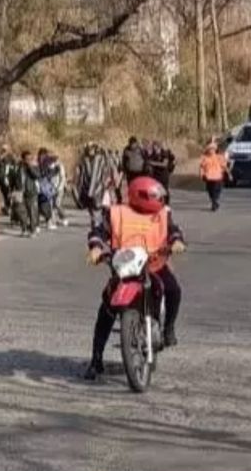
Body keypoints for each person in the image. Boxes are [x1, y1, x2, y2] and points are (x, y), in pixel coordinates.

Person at [83, 176, 186, 380]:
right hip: (126, 270)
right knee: (106, 309)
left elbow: (173, 232)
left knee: (174, 290)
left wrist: (176, 242)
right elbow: (99, 232)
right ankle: (96, 359)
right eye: (155, 196)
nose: (160, 200)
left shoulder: (163, 214)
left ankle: (168, 330)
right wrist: (96, 247)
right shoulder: (115, 213)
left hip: (155, 265)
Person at [75, 143, 111, 226]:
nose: (90, 151)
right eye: (89, 149)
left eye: (92, 149)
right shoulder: (84, 160)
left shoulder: (101, 159)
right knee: (90, 206)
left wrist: (105, 182)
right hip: (87, 185)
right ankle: (94, 220)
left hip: (98, 185)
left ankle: (97, 221)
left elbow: (107, 167)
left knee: (97, 206)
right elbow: (80, 170)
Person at [14, 151, 41, 238]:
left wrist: (30, 167)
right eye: (27, 159)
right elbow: (13, 177)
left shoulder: (34, 166)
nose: (28, 160)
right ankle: (24, 228)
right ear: (23, 159)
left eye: (30, 158)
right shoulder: (18, 167)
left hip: (31, 192)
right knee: (20, 211)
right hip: (20, 192)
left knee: (32, 212)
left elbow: (37, 175)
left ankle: (33, 230)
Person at [199, 141, 229, 212]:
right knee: (210, 191)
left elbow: (224, 166)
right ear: (207, 150)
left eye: (212, 149)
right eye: (209, 149)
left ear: (215, 150)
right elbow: (201, 167)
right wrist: (201, 174)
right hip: (209, 177)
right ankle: (214, 202)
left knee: (217, 190)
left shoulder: (219, 157)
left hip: (218, 177)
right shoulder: (205, 158)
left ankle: (214, 203)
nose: (211, 151)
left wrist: (229, 174)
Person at [0, 145, 18, 216]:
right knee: (5, 194)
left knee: (12, 193)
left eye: (6, 150)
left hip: (11, 179)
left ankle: (13, 209)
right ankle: (8, 207)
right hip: (2, 179)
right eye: (3, 150)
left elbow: (15, 167)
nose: (4, 151)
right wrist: (0, 159)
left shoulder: (12, 158)